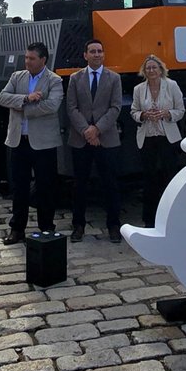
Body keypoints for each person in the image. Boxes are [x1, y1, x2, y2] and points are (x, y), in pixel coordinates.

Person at [0, 42, 64, 245]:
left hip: (43, 144)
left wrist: (23, 108)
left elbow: (52, 106)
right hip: (18, 142)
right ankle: (17, 229)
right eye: (26, 58)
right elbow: (2, 97)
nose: (27, 61)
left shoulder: (54, 80)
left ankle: (46, 228)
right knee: (19, 188)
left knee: (45, 187)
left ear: (43, 60)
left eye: (32, 58)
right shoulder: (17, 77)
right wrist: (26, 98)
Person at [65, 39, 123, 243]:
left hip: (106, 139)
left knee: (110, 184)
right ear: (85, 55)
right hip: (81, 140)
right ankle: (78, 225)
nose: (97, 54)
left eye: (100, 51)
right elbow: (71, 107)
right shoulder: (75, 78)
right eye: (92, 51)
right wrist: (86, 131)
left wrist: (97, 129)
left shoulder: (114, 78)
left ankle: (114, 225)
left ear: (104, 54)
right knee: (79, 185)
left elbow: (115, 107)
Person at [131, 55, 185, 227]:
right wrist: (144, 115)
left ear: (161, 69)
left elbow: (181, 110)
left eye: (154, 67)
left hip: (167, 138)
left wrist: (166, 114)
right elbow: (134, 111)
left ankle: (171, 216)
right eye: (148, 68)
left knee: (168, 177)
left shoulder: (172, 85)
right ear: (144, 71)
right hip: (147, 138)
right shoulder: (139, 89)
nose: (151, 71)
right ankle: (150, 219)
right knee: (149, 179)